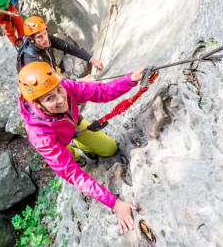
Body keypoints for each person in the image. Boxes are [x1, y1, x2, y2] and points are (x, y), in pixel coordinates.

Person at [18, 61, 145, 233]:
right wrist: (114, 203)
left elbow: (102, 92)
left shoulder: (63, 86)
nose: (61, 98)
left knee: (110, 148)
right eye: (50, 98)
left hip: (74, 126)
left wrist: (130, 79)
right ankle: (76, 156)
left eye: (58, 90)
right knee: (71, 160)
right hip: (59, 143)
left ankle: (81, 144)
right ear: (36, 104)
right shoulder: (39, 134)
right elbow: (71, 173)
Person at [16, 16, 103, 78]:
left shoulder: (45, 39)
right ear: (32, 40)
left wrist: (91, 59)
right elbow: (49, 81)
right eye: (39, 37)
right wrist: (79, 81)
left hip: (53, 71)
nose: (45, 39)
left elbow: (67, 47)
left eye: (45, 33)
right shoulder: (31, 58)